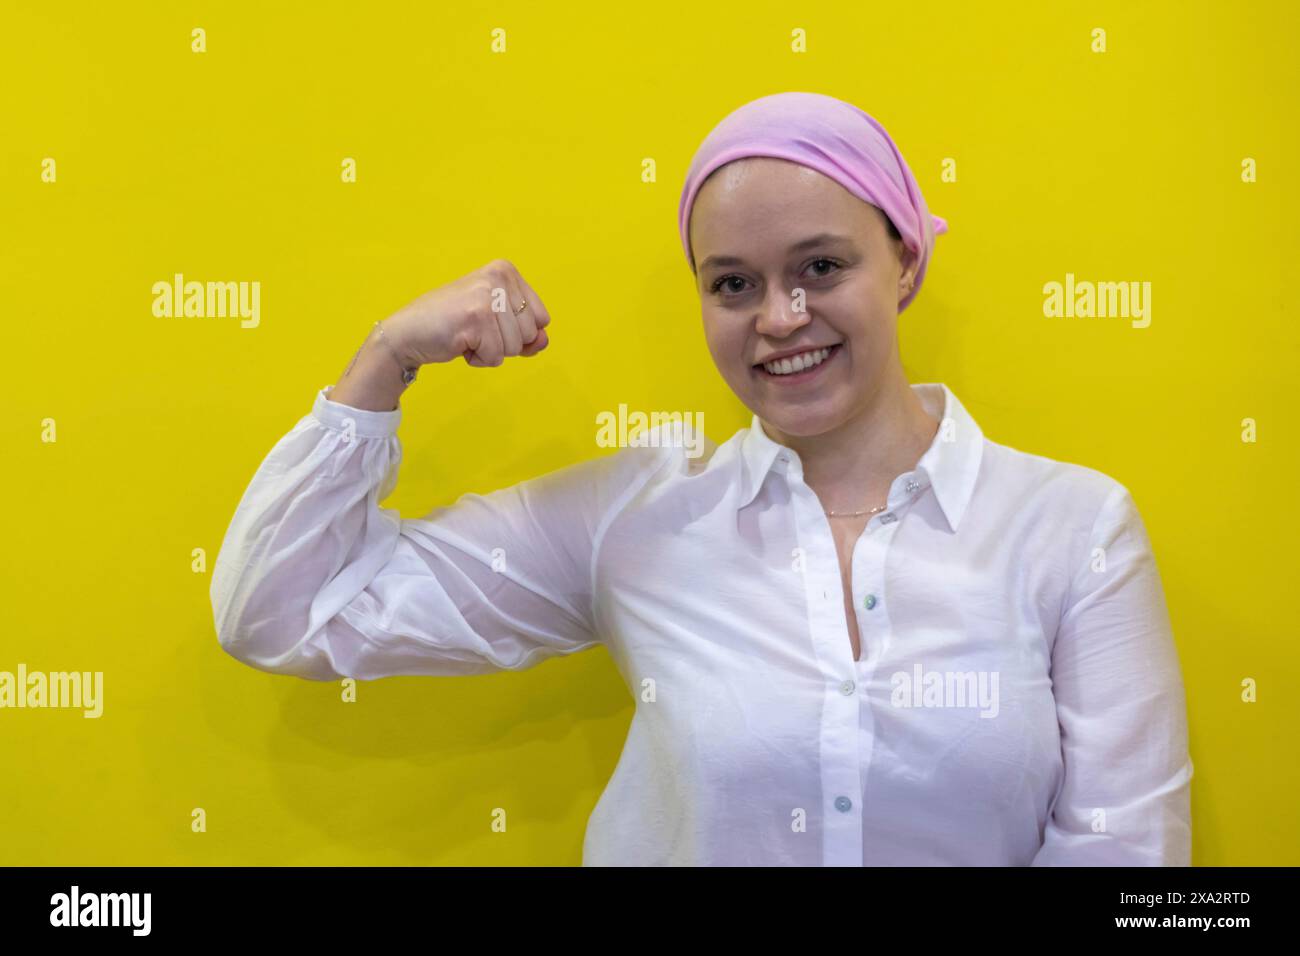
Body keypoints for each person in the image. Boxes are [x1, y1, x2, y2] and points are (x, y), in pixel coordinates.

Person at [210, 91, 1193, 866]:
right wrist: (385, 360)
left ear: (903, 261)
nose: (777, 316)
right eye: (732, 282)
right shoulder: (632, 521)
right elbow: (285, 612)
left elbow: (1125, 854)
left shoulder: (1073, 528)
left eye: (819, 266)